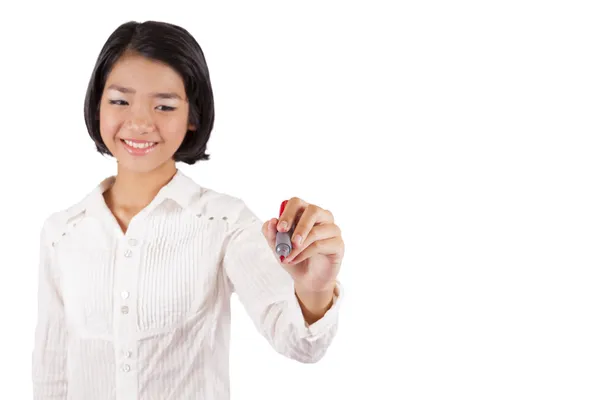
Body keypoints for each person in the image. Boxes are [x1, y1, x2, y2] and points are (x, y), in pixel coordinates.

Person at [31, 20, 344, 400]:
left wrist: (314, 289)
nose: (140, 122)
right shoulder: (62, 234)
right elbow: (52, 376)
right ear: (97, 105)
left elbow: (300, 344)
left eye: (164, 105)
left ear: (192, 116)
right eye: (119, 101)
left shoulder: (224, 223)